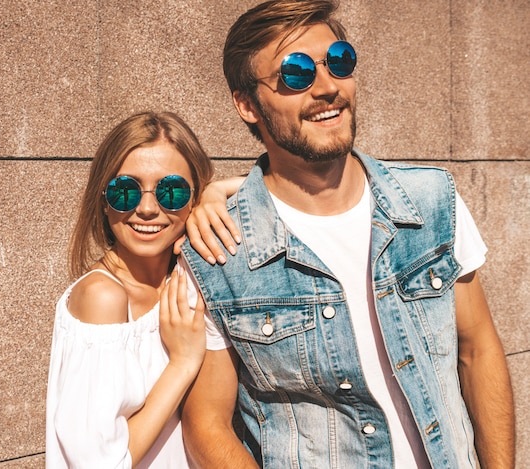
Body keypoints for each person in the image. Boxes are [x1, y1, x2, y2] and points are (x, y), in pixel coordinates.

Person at [178, 1, 515, 468]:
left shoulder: (432, 200)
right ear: (247, 104)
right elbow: (207, 424)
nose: (328, 87)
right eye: (295, 73)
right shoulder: (220, 250)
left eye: (339, 60)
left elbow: (479, 351)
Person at [46, 111, 214, 468]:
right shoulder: (102, 297)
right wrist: (182, 364)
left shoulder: (184, 279)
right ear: (104, 201)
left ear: (194, 199)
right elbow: (101, 463)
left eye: (172, 191)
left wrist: (216, 195)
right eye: (126, 191)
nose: (148, 208)